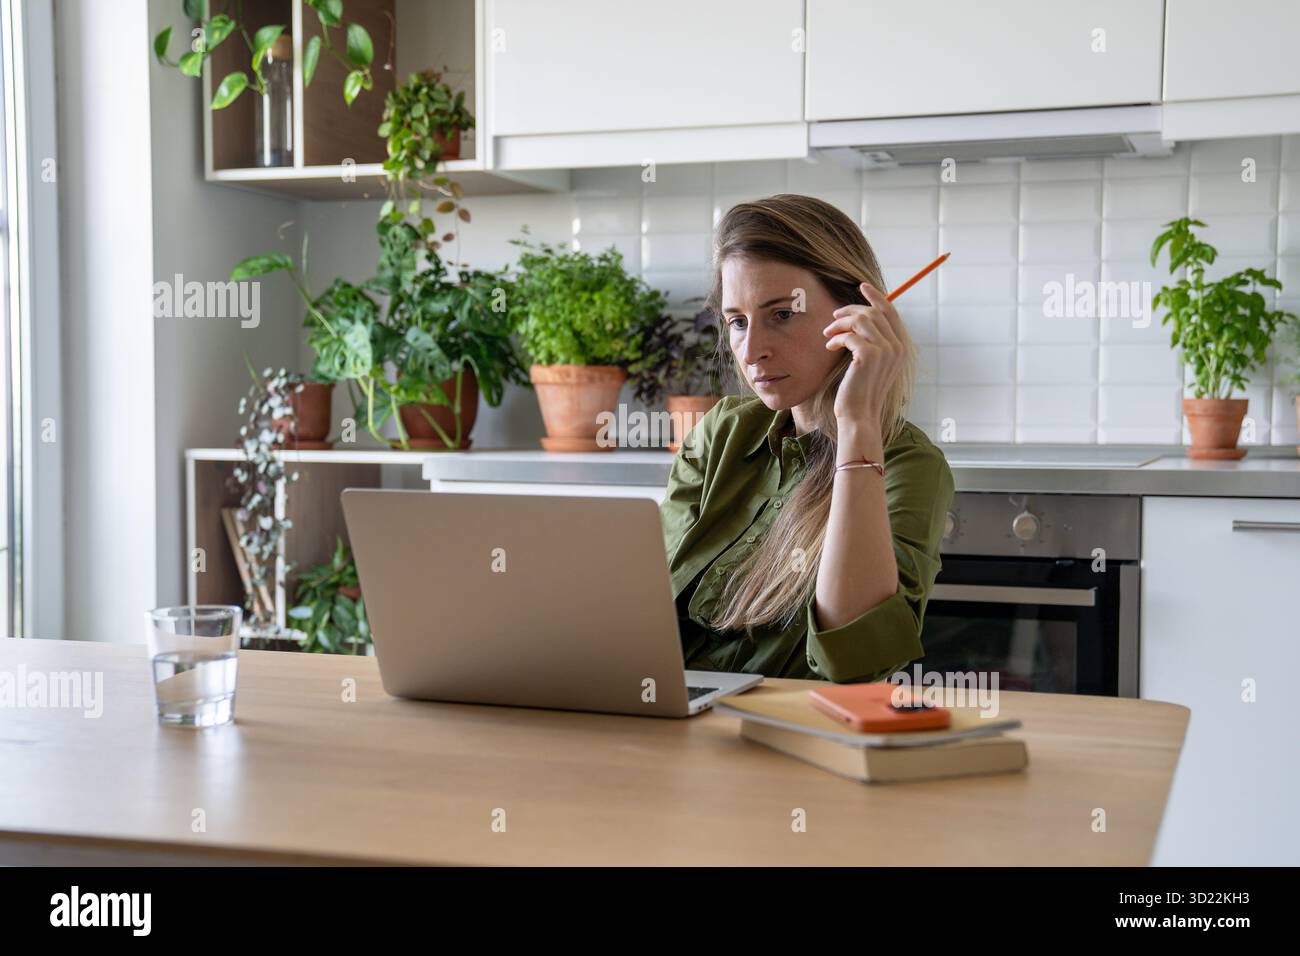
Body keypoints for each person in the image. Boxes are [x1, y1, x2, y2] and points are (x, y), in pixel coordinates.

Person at [659, 193, 954, 683]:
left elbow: (856, 662)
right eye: (737, 322)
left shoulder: (910, 466)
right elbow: (649, 604)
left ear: (857, 316)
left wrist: (858, 422)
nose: (752, 351)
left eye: (781, 314)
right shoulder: (720, 434)